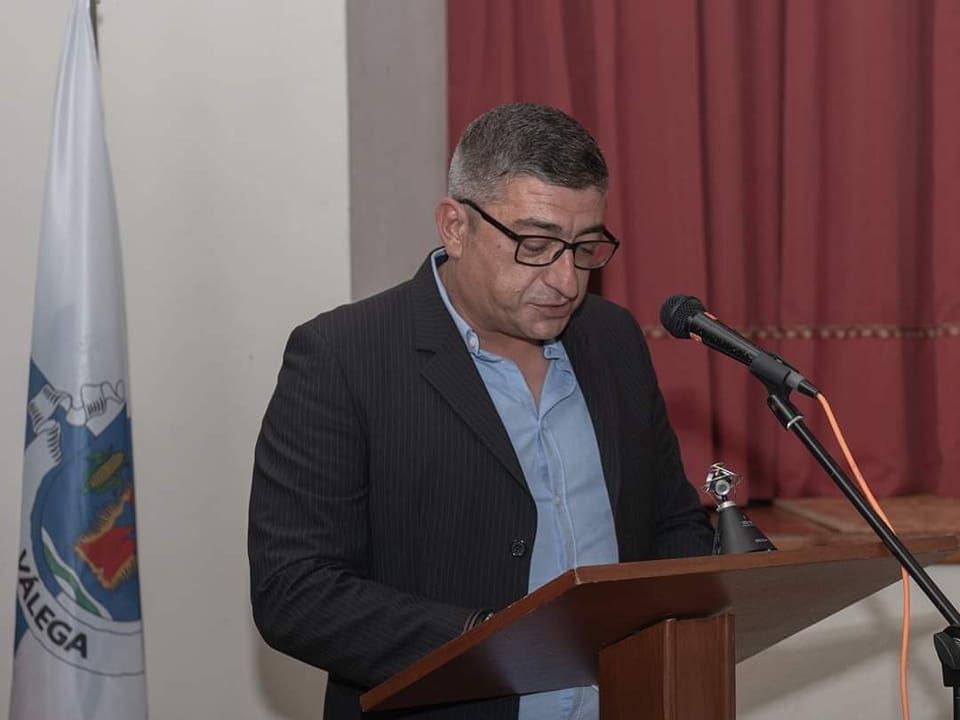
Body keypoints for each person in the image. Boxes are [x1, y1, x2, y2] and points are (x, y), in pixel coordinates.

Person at [248, 102, 714, 720]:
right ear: (455, 227)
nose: (567, 281)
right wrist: (490, 641)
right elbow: (295, 592)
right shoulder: (343, 356)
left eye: (585, 248)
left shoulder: (613, 338)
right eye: (536, 245)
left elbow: (670, 523)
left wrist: (729, 584)